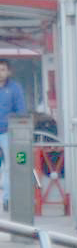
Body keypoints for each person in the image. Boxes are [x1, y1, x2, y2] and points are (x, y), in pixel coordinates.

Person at [0, 59, 25, 215]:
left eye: (3, 69)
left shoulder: (15, 88)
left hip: (7, 133)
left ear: (9, 72)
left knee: (9, 167)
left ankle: (7, 199)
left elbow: (21, 111)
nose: (0, 72)